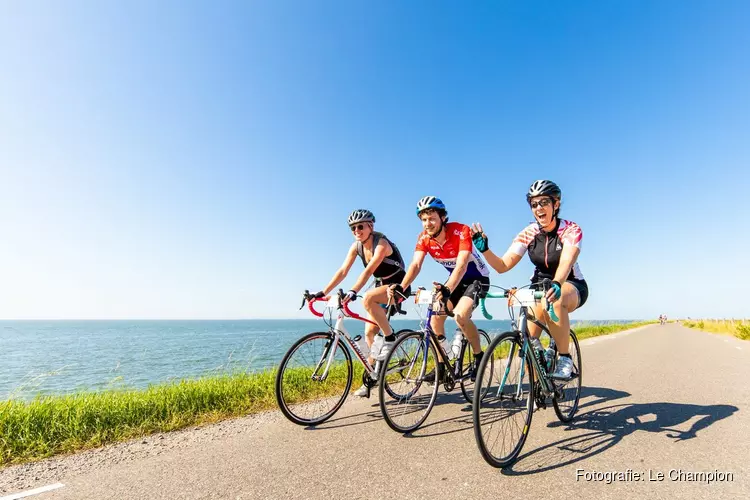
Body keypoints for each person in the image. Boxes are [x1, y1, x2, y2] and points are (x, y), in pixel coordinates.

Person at [471, 180, 588, 379]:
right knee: (528, 342)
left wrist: (557, 283)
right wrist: (485, 250)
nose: (539, 208)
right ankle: (538, 392)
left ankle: (566, 358)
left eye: (544, 202)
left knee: (555, 299)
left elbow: (567, 261)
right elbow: (502, 266)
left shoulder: (570, 230)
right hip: (538, 287)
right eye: (534, 204)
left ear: (556, 204)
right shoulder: (529, 233)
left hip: (569, 284)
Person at [387, 196, 490, 382]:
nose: (428, 223)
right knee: (435, 318)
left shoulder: (461, 231)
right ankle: (442, 366)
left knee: (460, 316)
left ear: (442, 217)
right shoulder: (424, 238)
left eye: (432, 218)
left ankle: (478, 357)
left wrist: (448, 288)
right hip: (455, 282)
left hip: (477, 279)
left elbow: (461, 265)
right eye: (424, 220)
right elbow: (416, 264)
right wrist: (402, 287)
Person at [312, 209, 410, 396]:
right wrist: (323, 292)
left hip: (398, 286)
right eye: (353, 228)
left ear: (370, 227)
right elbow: (343, 271)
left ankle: (390, 338)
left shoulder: (381, 243)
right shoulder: (356, 246)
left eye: (360, 226)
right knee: (369, 334)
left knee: (368, 298)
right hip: (380, 286)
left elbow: (368, 270)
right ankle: (373, 378)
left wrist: (354, 291)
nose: (357, 230)